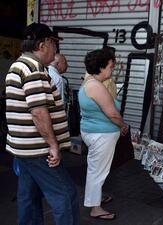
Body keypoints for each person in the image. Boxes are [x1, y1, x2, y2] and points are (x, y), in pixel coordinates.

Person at [4, 22, 79, 225]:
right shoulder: (33, 69)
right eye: (54, 44)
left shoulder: (18, 65)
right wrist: (53, 145)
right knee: (66, 195)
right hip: (38, 150)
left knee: (29, 196)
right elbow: (38, 111)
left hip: (24, 149)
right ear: (43, 44)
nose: (56, 51)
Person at [79, 48, 129, 220]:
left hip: (95, 132)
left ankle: (95, 199)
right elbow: (113, 114)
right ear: (100, 67)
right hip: (101, 135)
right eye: (110, 66)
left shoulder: (89, 82)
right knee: (97, 172)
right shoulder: (96, 87)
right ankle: (95, 208)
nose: (112, 69)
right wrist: (123, 125)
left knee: (95, 169)